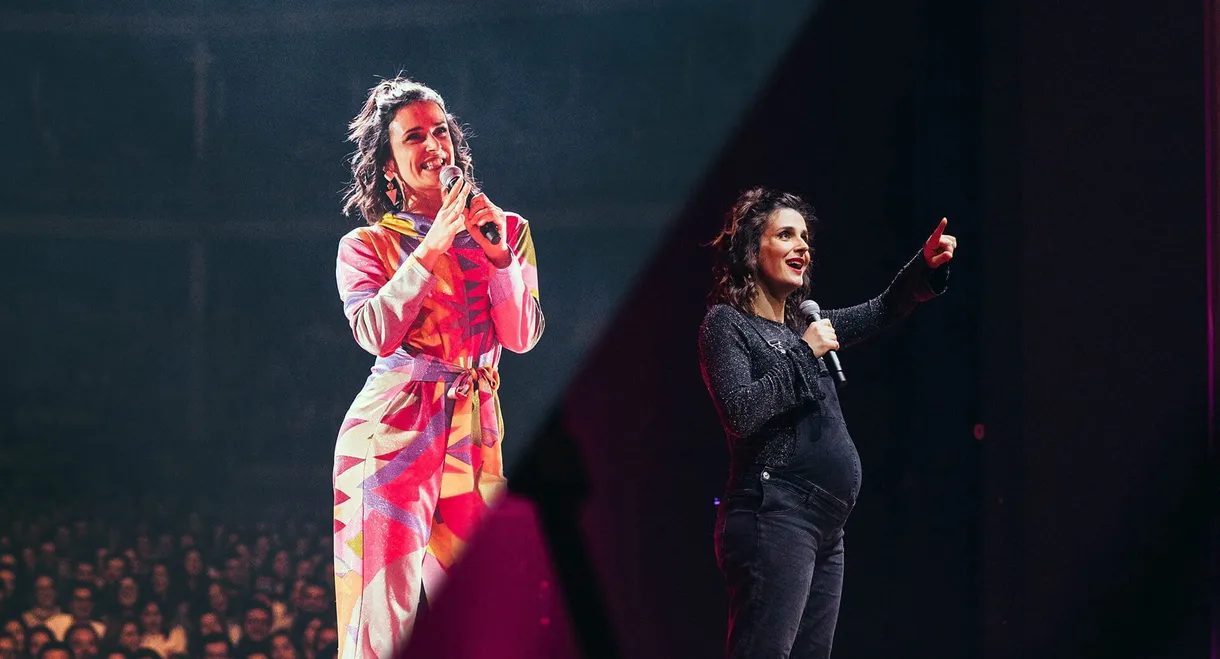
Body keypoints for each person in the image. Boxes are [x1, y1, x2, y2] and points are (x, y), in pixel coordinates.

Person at [332, 76, 545, 657]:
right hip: (393, 432)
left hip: (476, 431)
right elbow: (377, 333)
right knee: (386, 620)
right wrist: (431, 249)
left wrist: (499, 256)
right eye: (414, 138)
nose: (434, 147)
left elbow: (522, 337)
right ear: (389, 168)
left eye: (441, 132)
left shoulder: (507, 229)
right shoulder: (367, 246)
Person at [697, 187, 956, 658]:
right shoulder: (725, 324)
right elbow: (739, 413)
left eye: (806, 237)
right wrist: (805, 352)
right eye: (786, 234)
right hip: (774, 512)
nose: (803, 246)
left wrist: (923, 269)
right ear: (752, 250)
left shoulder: (803, 324)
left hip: (825, 524)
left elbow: (881, 309)